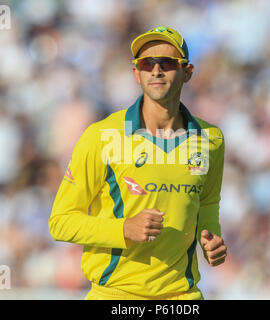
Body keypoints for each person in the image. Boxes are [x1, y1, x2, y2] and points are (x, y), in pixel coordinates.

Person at [49, 26, 227, 300]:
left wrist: (211, 239)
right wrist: (123, 229)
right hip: (115, 296)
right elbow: (61, 222)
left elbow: (207, 202)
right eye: (146, 63)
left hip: (183, 297)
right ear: (136, 73)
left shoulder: (211, 139)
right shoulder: (102, 135)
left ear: (187, 72)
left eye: (167, 63)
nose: (156, 71)